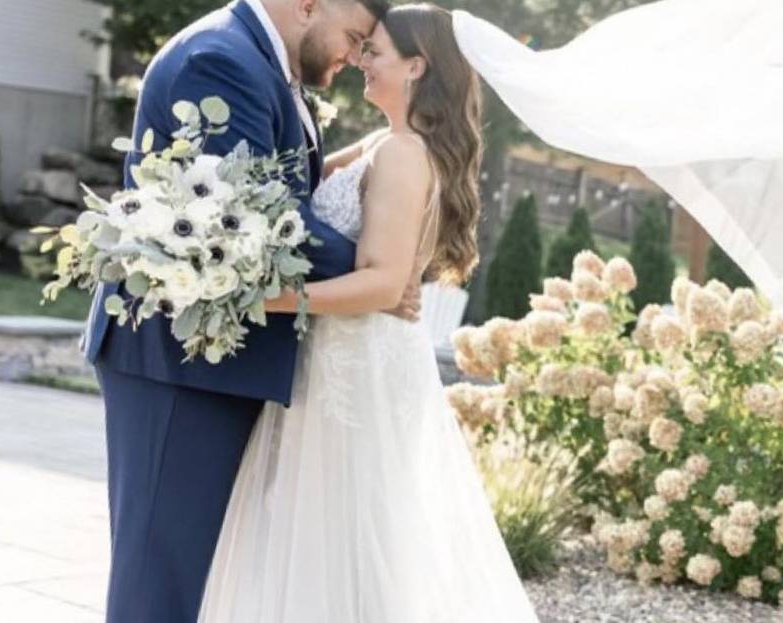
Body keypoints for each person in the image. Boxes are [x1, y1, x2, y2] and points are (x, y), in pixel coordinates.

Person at [77, 0, 430, 620]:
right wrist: (378, 269)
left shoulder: (262, 63)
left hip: (215, 359)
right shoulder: (221, 61)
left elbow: (289, 193)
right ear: (308, 5)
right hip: (180, 364)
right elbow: (255, 227)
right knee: (161, 582)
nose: (352, 57)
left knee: (197, 578)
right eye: (352, 37)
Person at [198, 5, 541, 621]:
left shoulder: (405, 155)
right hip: (336, 356)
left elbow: (383, 286)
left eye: (374, 51)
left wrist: (258, 300)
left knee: (347, 532)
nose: (360, 60)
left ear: (416, 66)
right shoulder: (386, 141)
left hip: (358, 367)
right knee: (319, 530)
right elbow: (303, 186)